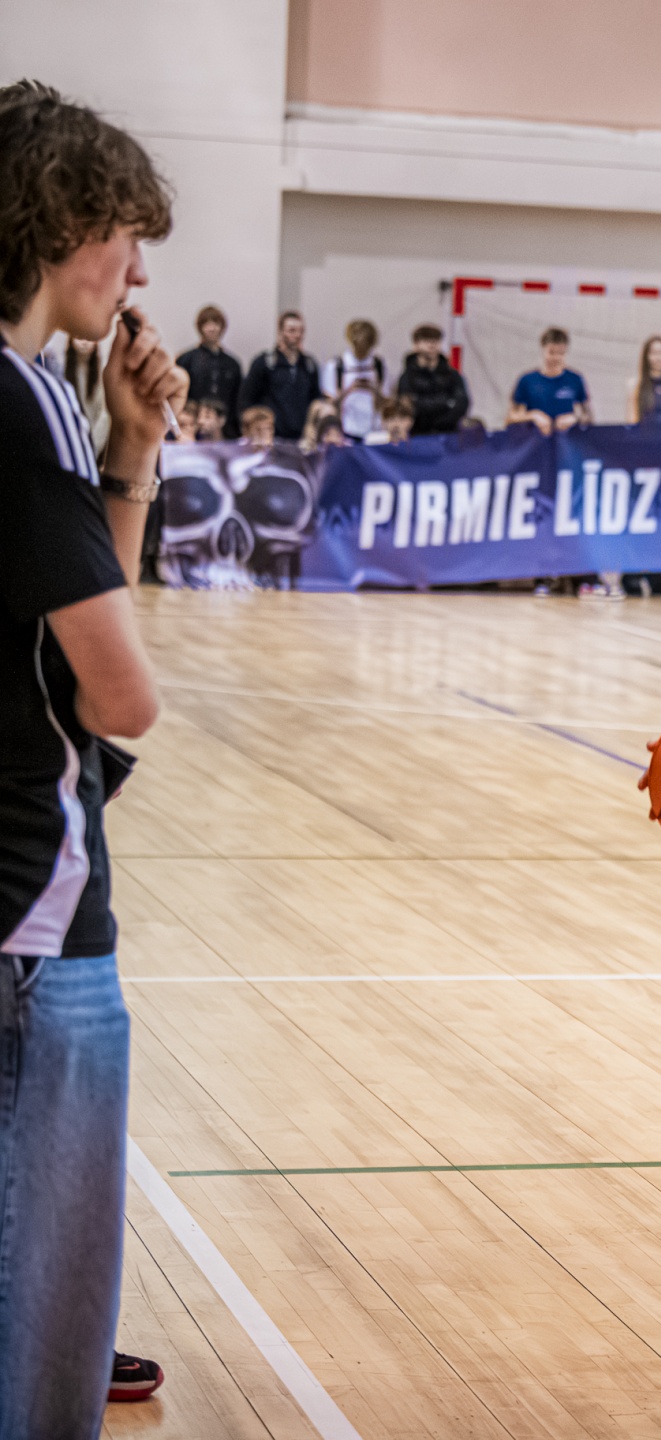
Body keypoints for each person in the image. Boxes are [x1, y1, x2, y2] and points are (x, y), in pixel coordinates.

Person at [0, 78, 183, 1435]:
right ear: (62, 225)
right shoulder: (19, 405)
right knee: (43, 1333)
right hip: (31, 902)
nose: (135, 271)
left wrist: (133, 449)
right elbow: (116, 696)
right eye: (124, 233)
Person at [623, 335, 661, 598]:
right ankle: (632, 575)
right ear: (646, 357)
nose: (658, 358)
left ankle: (658, 576)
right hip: (642, 464)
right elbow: (632, 426)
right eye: (654, 353)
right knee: (638, 520)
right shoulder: (636, 386)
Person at [236, 311, 318, 440]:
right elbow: (246, 400)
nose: (297, 335)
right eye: (292, 331)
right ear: (280, 332)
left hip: (301, 438)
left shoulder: (309, 365)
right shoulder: (265, 362)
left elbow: (315, 400)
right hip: (272, 437)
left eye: (301, 331)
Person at [506, 327, 589, 433]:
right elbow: (510, 417)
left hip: (567, 440)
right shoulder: (527, 380)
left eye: (561, 353)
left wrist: (575, 418)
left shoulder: (575, 379)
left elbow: (587, 416)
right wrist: (533, 416)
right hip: (534, 440)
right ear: (543, 350)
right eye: (551, 352)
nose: (556, 358)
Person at [175, 304, 240, 437]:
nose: (211, 328)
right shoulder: (186, 360)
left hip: (224, 429)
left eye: (215, 324)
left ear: (222, 327)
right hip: (193, 425)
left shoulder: (232, 364)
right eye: (207, 324)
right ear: (200, 328)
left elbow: (237, 399)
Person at [395, 323, 469, 435]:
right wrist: (446, 402)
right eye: (426, 340)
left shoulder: (452, 375)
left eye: (436, 340)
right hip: (419, 435)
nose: (432, 345)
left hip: (448, 433)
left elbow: (461, 403)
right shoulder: (407, 377)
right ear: (416, 344)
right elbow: (407, 406)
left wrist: (442, 421)